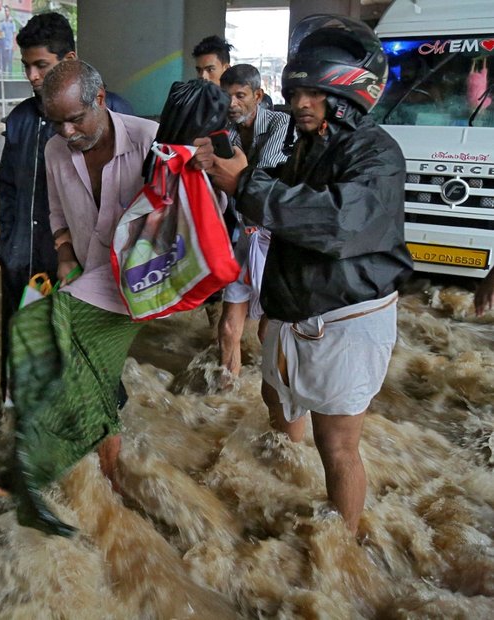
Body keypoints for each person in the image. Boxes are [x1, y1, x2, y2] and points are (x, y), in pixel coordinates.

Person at [193, 15, 413, 535]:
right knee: (277, 402)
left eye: (313, 93)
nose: (300, 103)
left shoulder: (377, 155)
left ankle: (343, 547)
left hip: (346, 318)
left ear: (348, 95)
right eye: (296, 92)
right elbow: (276, 197)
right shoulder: (307, 143)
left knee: (336, 445)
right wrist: (231, 168)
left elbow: (336, 222)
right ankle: (287, 488)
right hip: (294, 313)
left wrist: (246, 183)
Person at [0, 59, 158, 536]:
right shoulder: (56, 149)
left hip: (142, 279)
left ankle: (31, 473)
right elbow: (55, 207)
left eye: (76, 118)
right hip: (90, 274)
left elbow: (196, 210)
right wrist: (61, 250)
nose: (68, 130)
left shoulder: (149, 141)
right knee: (94, 376)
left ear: (100, 99)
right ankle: (111, 489)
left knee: (45, 336)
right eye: (57, 121)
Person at [0, 12, 133, 404]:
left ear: (69, 60)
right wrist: (8, 244)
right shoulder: (21, 119)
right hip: (26, 264)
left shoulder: (112, 114)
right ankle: (20, 434)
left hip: (83, 267)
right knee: (26, 358)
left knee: (90, 363)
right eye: (27, 67)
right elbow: (7, 185)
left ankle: (103, 449)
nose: (34, 76)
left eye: (42, 65)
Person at [216, 64, 293, 380]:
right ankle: (226, 390)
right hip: (245, 235)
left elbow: (261, 175)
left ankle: (279, 393)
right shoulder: (226, 130)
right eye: (226, 96)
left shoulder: (281, 122)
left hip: (278, 241)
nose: (232, 103)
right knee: (228, 325)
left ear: (258, 95)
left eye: (240, 95)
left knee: (270, 331)